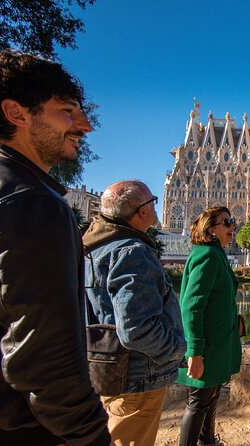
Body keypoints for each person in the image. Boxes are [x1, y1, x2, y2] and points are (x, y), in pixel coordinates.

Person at [0, 50, 111, 445]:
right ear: (17, 113)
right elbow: (43, 352)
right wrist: (91, 435)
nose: (85, 125)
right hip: (25, 427)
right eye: (67, 111)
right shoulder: (30, 201)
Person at [83, 180, 186, 446]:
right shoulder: (132, 252)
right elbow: (136, 329)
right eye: (152, 201)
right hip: (139, 376)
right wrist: (176, 349)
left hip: (107, 367)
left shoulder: (94, 248)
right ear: (141, 211)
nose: (156, 205)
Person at [176, 207, 242, 446]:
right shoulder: (208, 256)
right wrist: (195, 350)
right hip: (207, 347)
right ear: (211, 229)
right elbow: (191, 306)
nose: (232, 227)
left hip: (216, 344)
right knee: (198, 402)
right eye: (226, 222)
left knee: (210, 396)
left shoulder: (216, 254)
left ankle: (208, 441)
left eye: (231, 222)